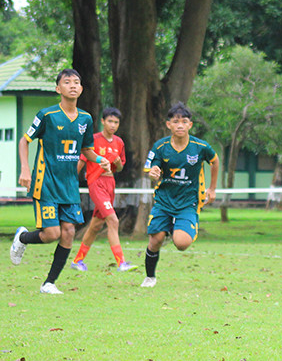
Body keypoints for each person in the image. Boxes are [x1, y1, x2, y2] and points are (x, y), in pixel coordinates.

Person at [10, 69, 111, 294]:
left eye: (77, 82)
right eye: (67, 82)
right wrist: (25, 169)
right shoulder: (47, 115)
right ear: (58, 89)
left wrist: (101, 159)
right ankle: (23, 237)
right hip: (45, 182)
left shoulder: (86, 119)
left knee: (68, 232)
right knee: (51, 234)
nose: (73, 86)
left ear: (81, 89)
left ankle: (49, 283)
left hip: (69, 185)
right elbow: (24, 141)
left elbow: (87, 150)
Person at [141, 102, 218, 288]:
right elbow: (150, 167)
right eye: (176, 122)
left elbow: (214, 162)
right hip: (164, 201)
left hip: (188, 202)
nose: (180, 125)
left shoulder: (200, 147)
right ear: (169, 125)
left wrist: (212, 189)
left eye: (184, 121)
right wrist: (152, 172)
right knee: (155, 240)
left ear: (190, 125)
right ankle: (150, 277)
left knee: (182, 244)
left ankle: (177, 229)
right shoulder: (160, 146)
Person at [71, 107, 138, 273]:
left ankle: (77, 260)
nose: (113, 125)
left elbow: (120, 167)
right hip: (96, 184)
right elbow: (81, 161)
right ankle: (121, 262)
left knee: (95, 226)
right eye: (110, 121)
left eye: (116, 122)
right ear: (103, 121)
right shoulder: (92, 139)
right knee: (113, 221)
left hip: (110, 184)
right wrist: (71, 180)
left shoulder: (119, 142)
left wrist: (118, 162)